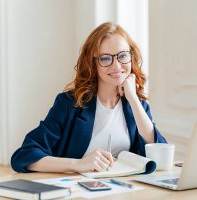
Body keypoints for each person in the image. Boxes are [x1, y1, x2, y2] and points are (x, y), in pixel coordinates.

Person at [11, 22, 167, 173]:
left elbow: (159, 153)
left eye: (122, 55)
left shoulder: (137, 105)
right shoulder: (69, 104)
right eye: (105, 58)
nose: (117, 65)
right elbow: (24, 156)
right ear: (93, 63)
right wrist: (78, 164)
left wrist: (133, 99)